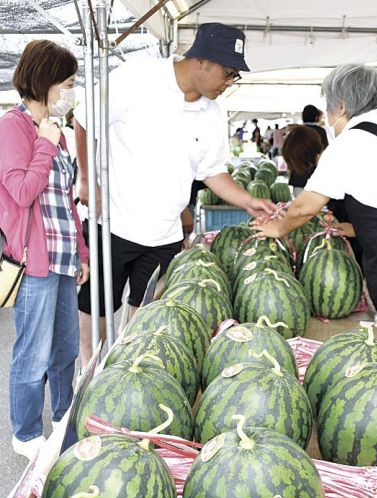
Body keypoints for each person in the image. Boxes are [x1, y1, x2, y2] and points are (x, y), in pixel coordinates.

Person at [75, 22, 275, 367]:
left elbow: (213, 172)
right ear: (202, 61)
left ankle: (127, 372)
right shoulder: (136, 78)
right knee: (98, 305)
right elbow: (84, 119)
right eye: (228, 74)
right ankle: (89, 372)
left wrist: (249, 201)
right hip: (114, 222)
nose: (229, 84)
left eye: (235, 77)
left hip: (165, 235)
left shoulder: (212, 114)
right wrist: (85, 177)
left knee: (146, 313)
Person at [251, 63, 377, 381]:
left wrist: (276, 227)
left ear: (340, 106)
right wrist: (359, 227)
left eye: (328, 111)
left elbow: (304, 208)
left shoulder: (351, 143)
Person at [0, 40, 89, 459]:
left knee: (66, 348)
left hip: (64, 256)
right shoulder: (12, 128)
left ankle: (64, 418)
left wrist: (83, 252)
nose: (70, 92)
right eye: (67, 83)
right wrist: (46, 143)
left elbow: (67, 200)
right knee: (33, 351)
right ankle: (26, 433)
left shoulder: (59, 134)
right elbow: (21, 191)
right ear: (45, 82)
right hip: (34, 261)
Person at [282, 124, 362, 265]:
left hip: (364, 234)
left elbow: (302, 210)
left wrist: (278, 227)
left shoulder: (330, 166)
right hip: (355, 230)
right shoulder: (331, 159)